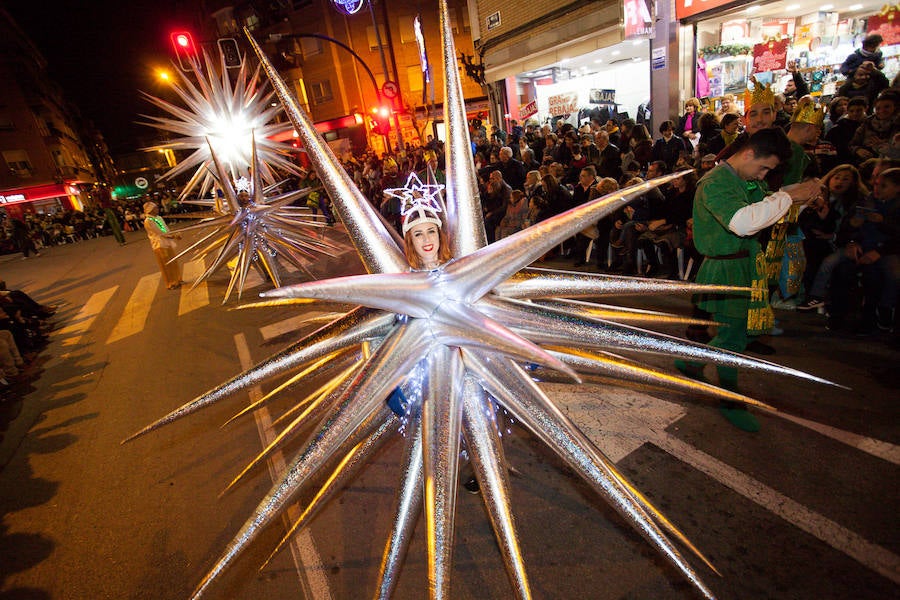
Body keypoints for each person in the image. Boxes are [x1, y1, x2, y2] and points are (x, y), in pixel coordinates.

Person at [675, 128, 820, 432]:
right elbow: (742, 222)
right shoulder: (715, 182)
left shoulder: (741, 179)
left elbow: (766, 210)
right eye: (764, 167)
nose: (765, 174)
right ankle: (728, 398)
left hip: (743, 266)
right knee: (733, 338)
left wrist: (798, 196)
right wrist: (790, 195)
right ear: (750, 153)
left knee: (738, 333)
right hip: (726, 269)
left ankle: (693, 364)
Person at [143, 202, 182, 290]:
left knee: (173, 262)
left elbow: (165, 229)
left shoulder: (158, 218)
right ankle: (171, 283)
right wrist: (173, 236)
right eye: (156, 208)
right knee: (166, 265)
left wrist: (172, 235)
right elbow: (159, 233)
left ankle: (177, 279)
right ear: (151, 210)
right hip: (159, 244)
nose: (158, 209)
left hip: (167, 242)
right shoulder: (148, 221)